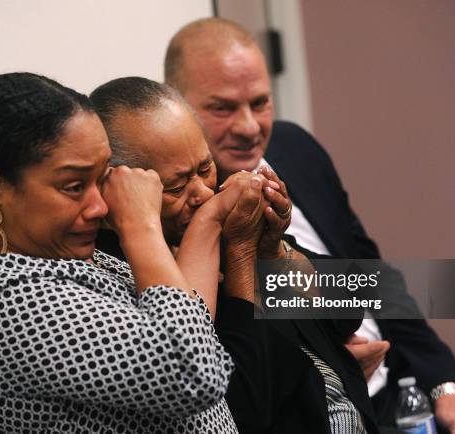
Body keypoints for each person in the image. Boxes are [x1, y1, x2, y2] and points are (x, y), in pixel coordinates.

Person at [164, 17, 455, 434]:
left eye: (260, 102)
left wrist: (444, 385)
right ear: (178, 109)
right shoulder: (185, 213)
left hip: (404, 388)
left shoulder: (295, 149)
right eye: (222, 108)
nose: (250, 127)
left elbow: (374, 281)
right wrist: (333, 368)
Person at [0, 72, 239, 433]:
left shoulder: (71, 258)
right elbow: (212, 377)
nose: (100, 207)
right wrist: (243, 258)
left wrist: (251, 238)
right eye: (73, 186)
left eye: (101, 180)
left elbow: (195, 323)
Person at [89, 76, 382, 434]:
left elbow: (347, 308)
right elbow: (240, 409)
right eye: (176, 186)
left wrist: (272, 249)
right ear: (121, 189)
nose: (200, 193)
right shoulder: (118, 275)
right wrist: (241, 254)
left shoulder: (224, 209)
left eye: (204, 168)